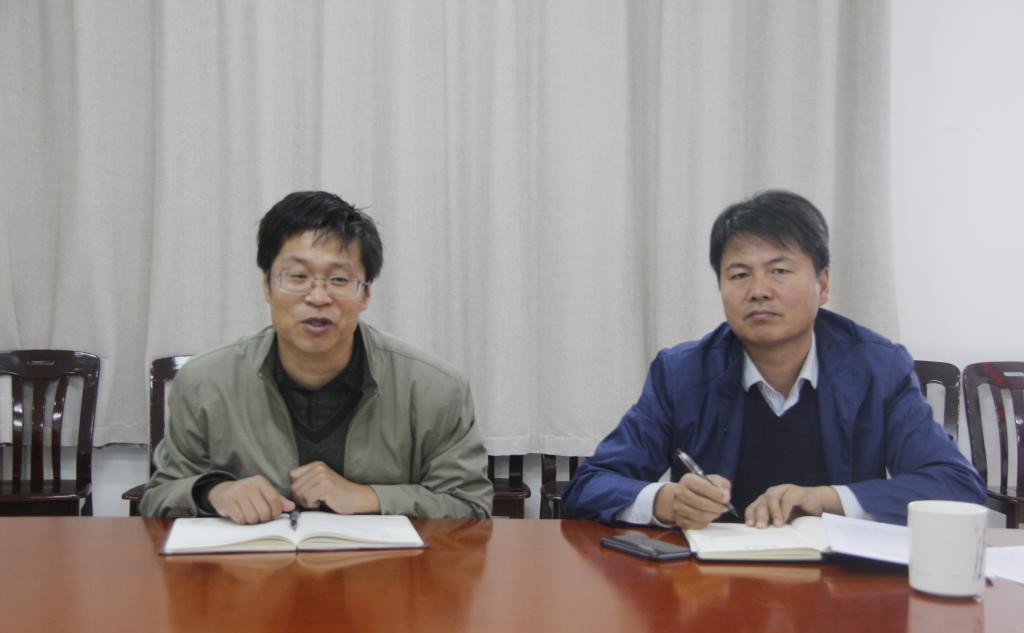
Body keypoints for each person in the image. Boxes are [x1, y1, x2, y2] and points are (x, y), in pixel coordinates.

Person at [562, 190, 985, 528]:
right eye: (739, 274)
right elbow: (590, 485)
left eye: (779, 271)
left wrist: (825, 500)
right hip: (713, 585)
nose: (759, 290)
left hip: (839, 586)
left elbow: (956, 486)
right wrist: (666, 501)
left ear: (822, 284)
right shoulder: (682, 373)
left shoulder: (877, 368)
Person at [141, 191, 493, 521]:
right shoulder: (205, 382)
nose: (319, 297)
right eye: (298, 276)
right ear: (267, 285)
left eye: (339, 280)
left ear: (366, 294)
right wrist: (211, 493)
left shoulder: (435, 390)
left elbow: (471, 507)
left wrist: (368, 497)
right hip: (253, 566)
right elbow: (157, 499)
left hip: (384, 568)